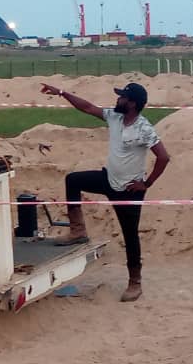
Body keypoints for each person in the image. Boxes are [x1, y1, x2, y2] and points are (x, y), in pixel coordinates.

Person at [39, 82, 170, 302]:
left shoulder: (144, 128)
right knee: (73, 180)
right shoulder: (114, 117)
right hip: (108, 179)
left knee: (130, 236)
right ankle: (77, 230)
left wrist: (146, 184)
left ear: (133, 103)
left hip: (129, 191)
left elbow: (163, 157)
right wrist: (61, 92)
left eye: (122, 98)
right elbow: (88, 107)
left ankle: (134, 282)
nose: (117, 100)